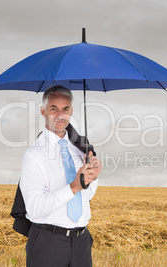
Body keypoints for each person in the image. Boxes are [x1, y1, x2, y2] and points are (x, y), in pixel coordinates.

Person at [19, 85, 101, 266]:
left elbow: (85, 197)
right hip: (48, 243)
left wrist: (93, 179)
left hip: (81, 242)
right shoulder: (34, 154)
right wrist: (73, 187)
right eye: (53, 109)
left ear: (71, 111)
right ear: (43, 111)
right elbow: (34, 208)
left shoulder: (81, 149)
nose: (60, 115)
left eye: (65, 109)